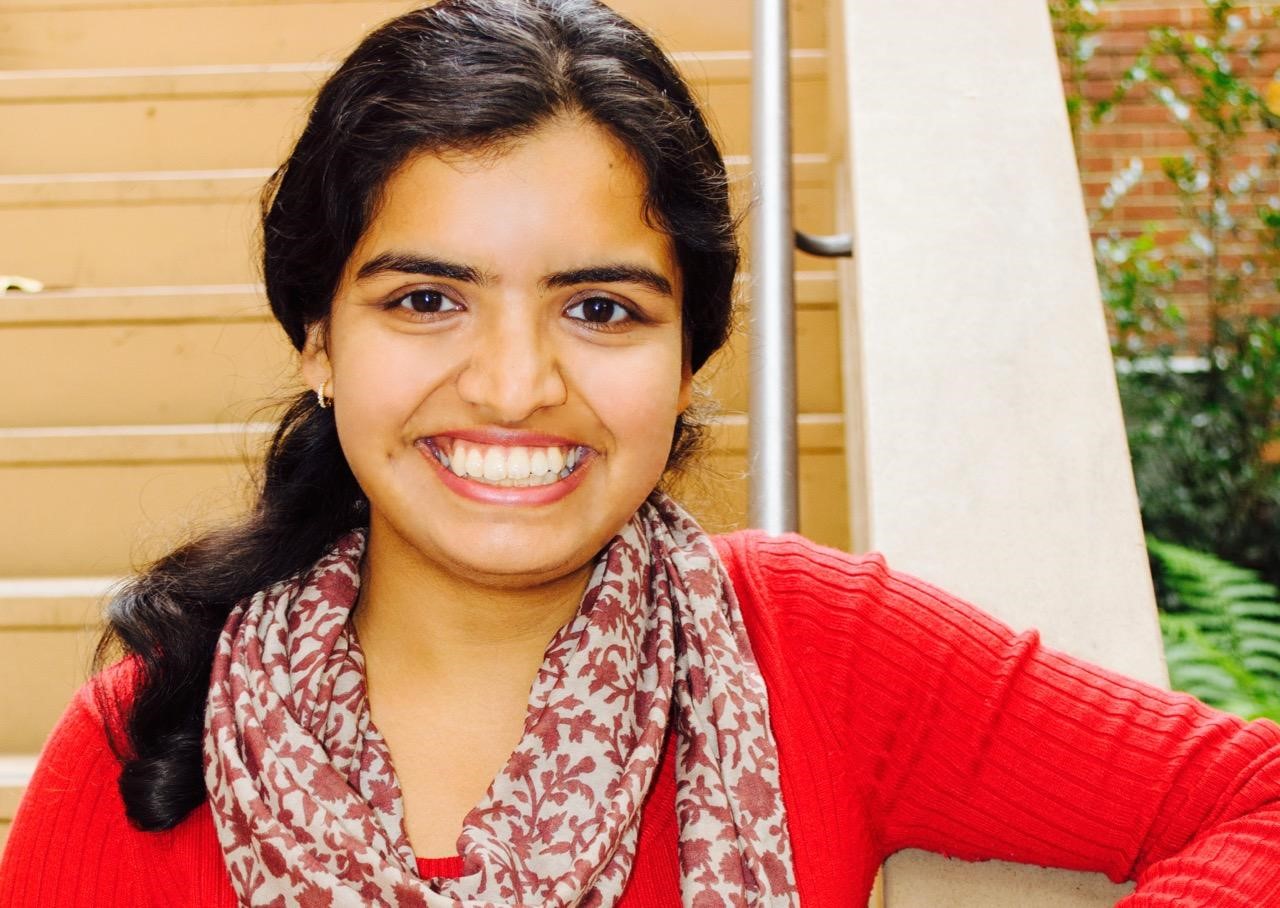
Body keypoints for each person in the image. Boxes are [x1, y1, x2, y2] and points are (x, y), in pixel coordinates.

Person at [2, 0, 1279, 905]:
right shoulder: (150, 742)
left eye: (601, 308)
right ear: (320, 340)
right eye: (426, 300)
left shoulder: (811, 649)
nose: (515, 386)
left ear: (687, 359)